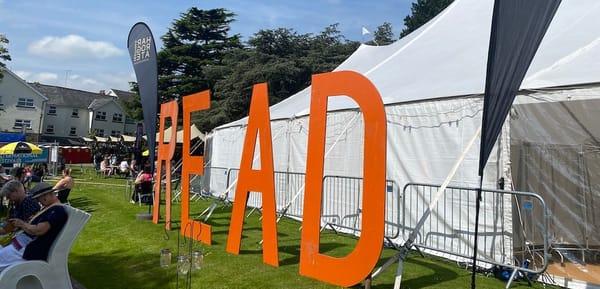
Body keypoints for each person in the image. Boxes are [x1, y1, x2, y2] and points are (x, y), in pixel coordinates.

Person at [0, 182, 67, 271]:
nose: (38, 202)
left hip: (27, 250)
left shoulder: (56, 210)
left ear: (45, 196)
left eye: (38, 198)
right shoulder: (50, 209)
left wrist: (22, 224)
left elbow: (39, 230)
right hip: (21, 246)